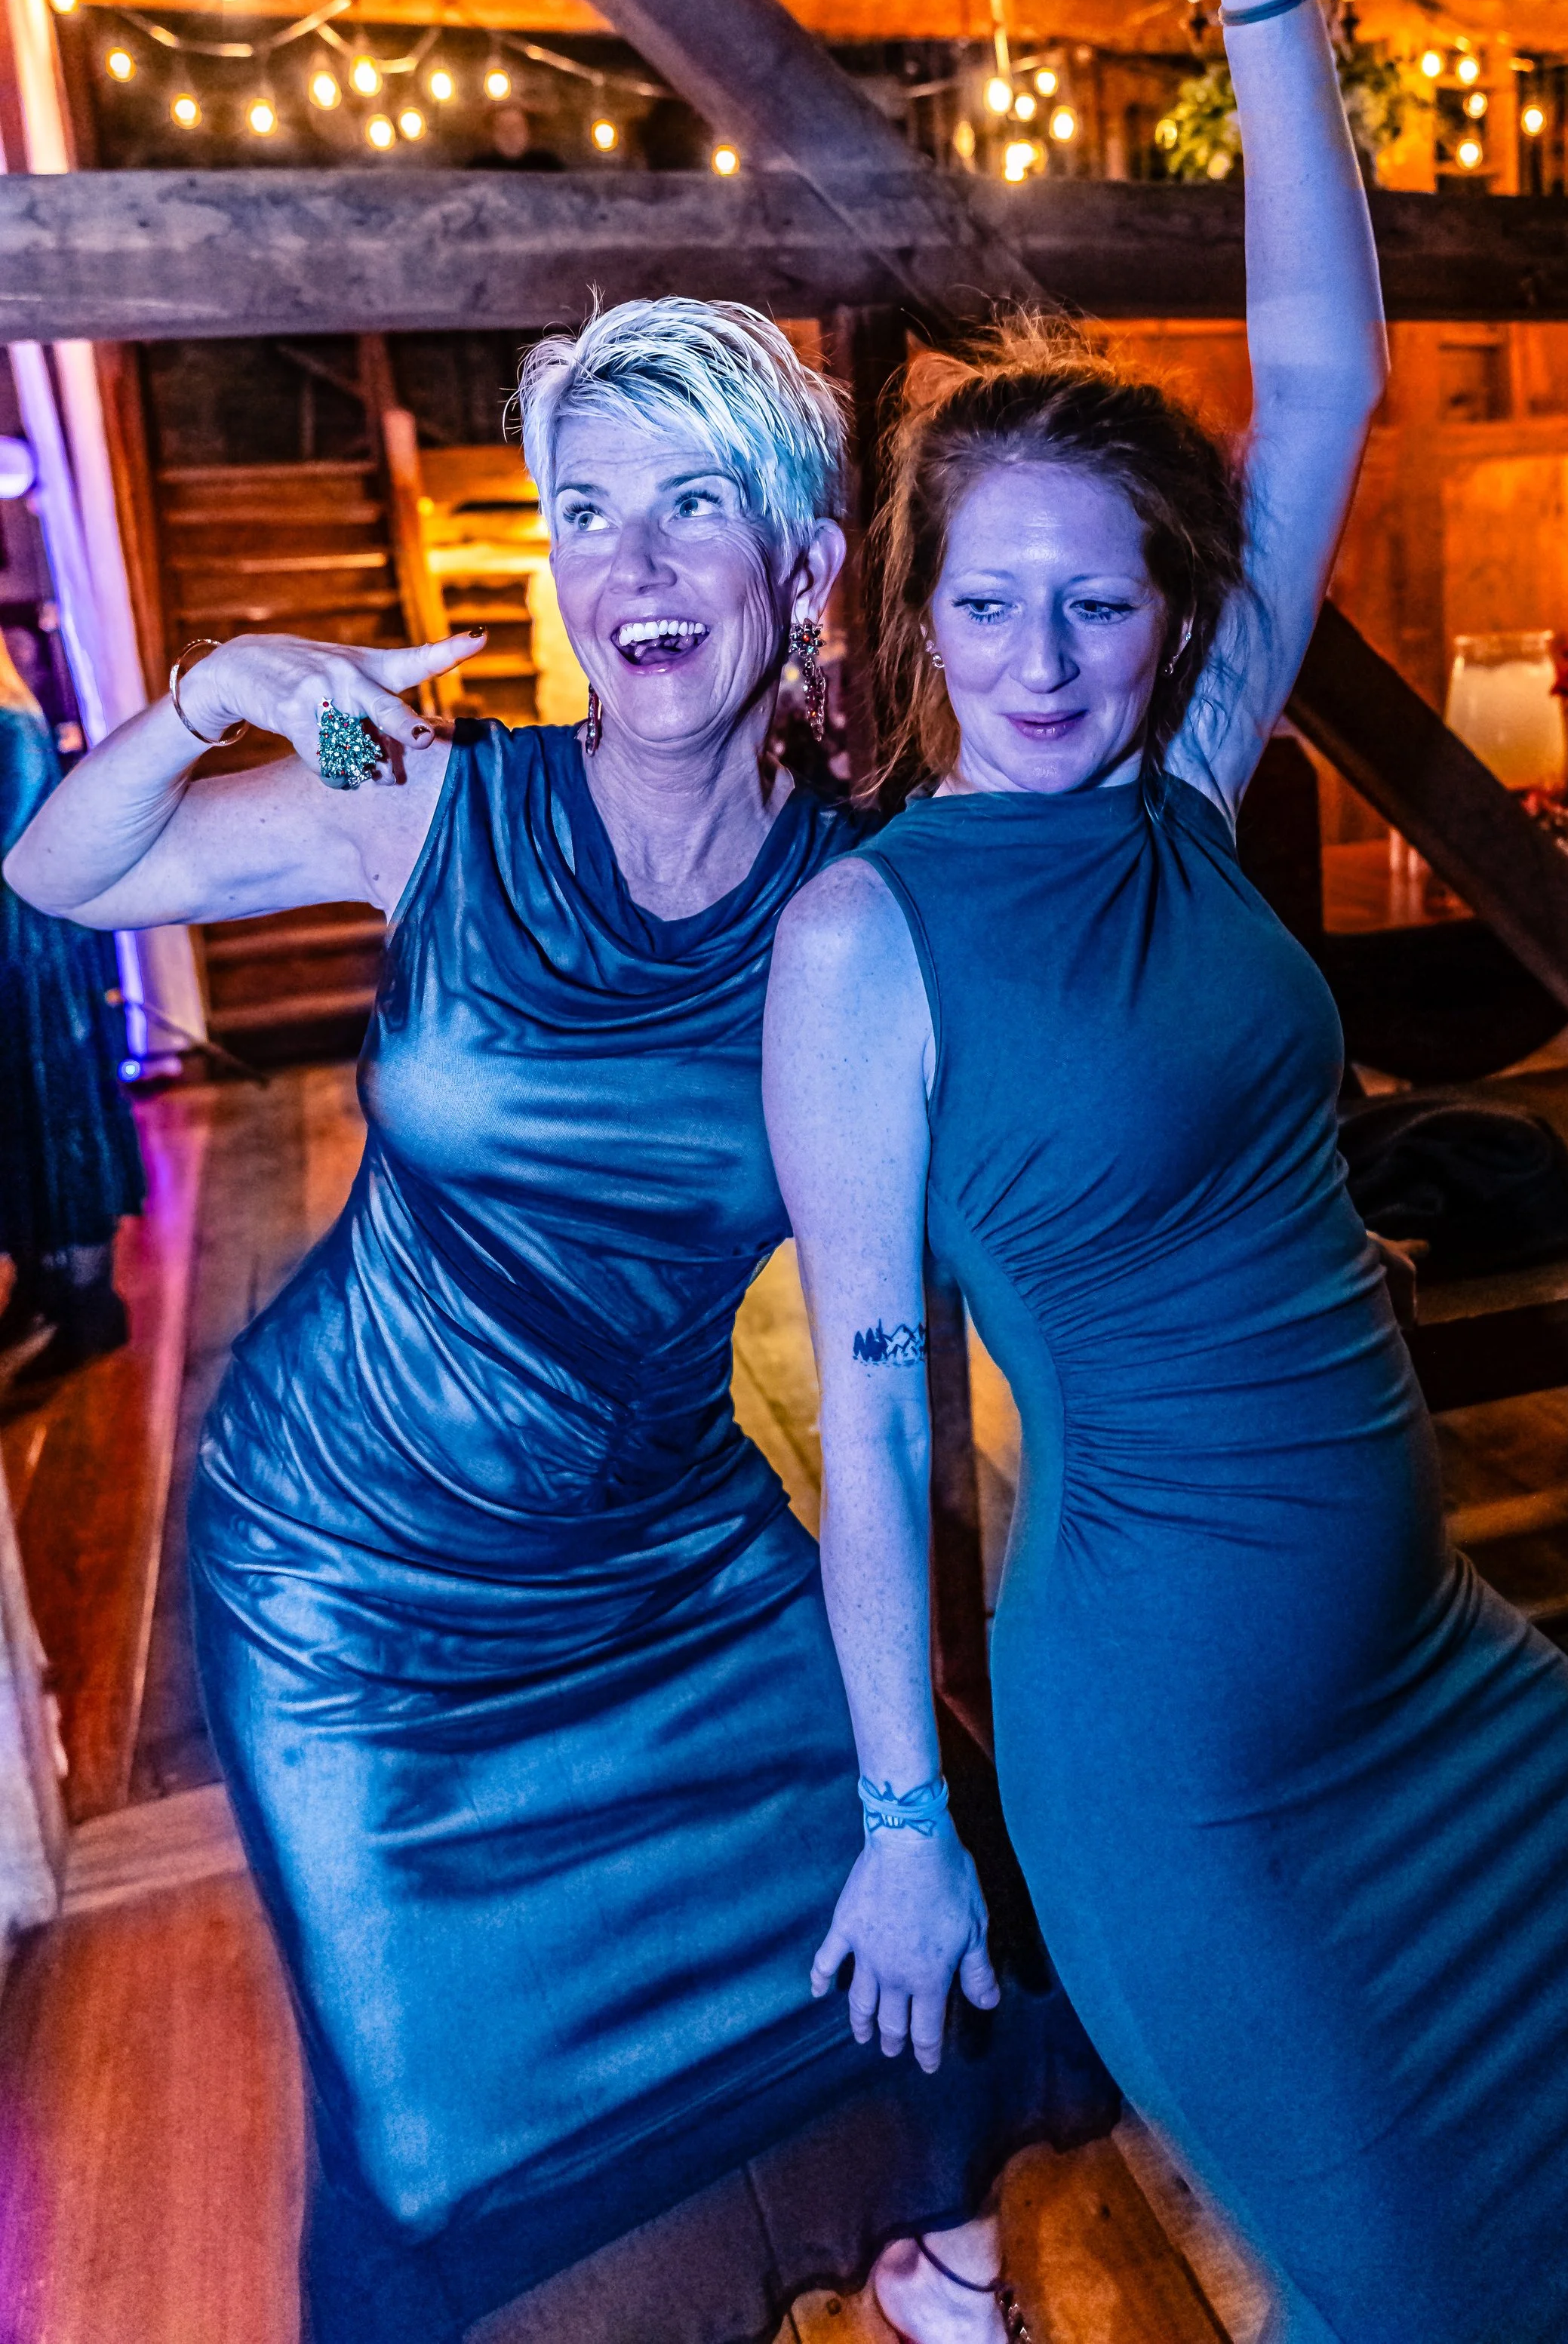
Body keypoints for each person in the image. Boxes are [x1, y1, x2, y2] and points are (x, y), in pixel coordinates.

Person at [762, 0, 1568, 2344]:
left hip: (1432, 1660)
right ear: (921, 618)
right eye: (993, 602)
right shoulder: (865, 943)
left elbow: (1329, 372)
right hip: (1192, 1766)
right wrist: (909, 1821)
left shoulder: (1174, 788)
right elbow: (886, 1415)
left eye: (1099, 603)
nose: (1045, 658)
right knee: (1433, 2281)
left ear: (1164, 624)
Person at [3, 300, 1113, 2344]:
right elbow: (64, 869)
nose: (634, 568)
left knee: (932, 1909)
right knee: (450, 2155)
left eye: (698, 508)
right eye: (586, 512)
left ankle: (940, 2257)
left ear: (795, 571)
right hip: (346, 1591)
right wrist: (218, 691)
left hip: (664, 1565)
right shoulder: (421, 782)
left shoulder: (864, 906)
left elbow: (923, 1324)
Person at [0, 633, 143, 1381]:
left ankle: (90, 1303)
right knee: (17, 1126)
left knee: (55, 1115)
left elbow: (17, 848)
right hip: (15, 953)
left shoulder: (10, 723)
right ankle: (42, 1282)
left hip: (26, 958)